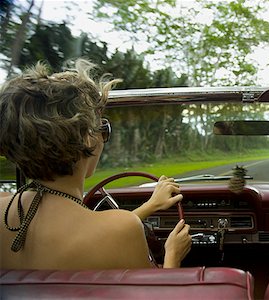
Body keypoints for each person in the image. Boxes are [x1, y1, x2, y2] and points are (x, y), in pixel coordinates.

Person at [0, 59, 191, 269]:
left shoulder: (3, 207)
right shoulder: (122, 230)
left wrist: (151, 206)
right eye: (102, 127)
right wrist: (173, 255)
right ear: (87, 138)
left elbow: (83, 236)